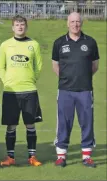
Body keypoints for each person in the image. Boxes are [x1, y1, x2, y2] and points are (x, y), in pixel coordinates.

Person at [52, 12, 99, 168]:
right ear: (67, 23)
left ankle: (86, 156)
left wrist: (82, 77)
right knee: (64, 122)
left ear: (81, 23)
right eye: (72, 21)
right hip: (65, 90)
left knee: (87, 122)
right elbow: (55, 66)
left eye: (78, 21)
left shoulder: (91, 42)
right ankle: (61, 156)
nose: (75, 24)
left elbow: (94, 66)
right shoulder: (59, 43)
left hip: (85, 89)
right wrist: (67, 78)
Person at [0, 15, 43, 167]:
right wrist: (7, 82)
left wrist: (31, 79)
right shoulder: (5, 45)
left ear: (26, 27)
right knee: (11, 125)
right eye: (17, 24)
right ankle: (10, 157)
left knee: (31, 124)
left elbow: (38, 66)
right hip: (11, 92)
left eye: (22, 24)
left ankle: (32, 156)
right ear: (12, 27)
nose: (20, 27)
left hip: (29, 90)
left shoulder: (34, 44)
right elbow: (0, 67)